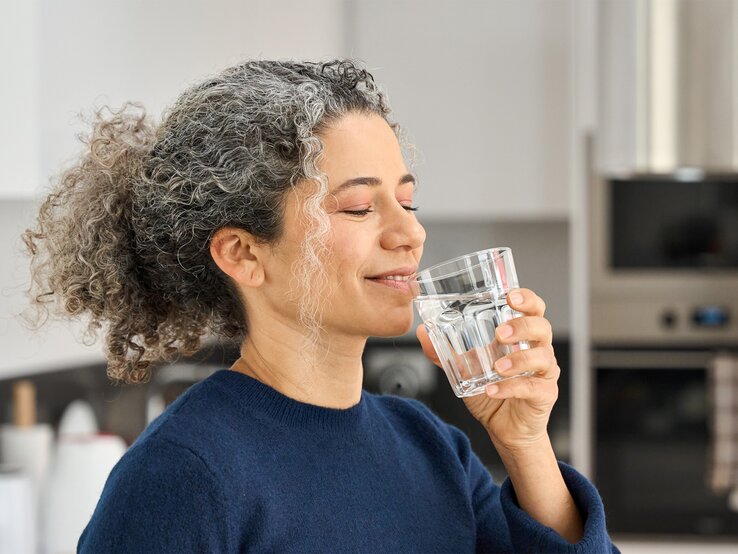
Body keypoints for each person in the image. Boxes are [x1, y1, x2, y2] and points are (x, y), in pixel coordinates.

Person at [23, 60, 618, 553]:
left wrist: (525, 445)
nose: (408, 233)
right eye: (359, 208)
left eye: (407, 202)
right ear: (244, 254)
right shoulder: (185, 474)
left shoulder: (430, 446)